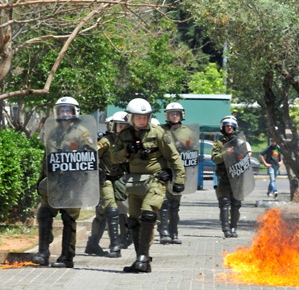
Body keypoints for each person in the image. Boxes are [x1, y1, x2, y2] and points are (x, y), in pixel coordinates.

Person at [111, 98, 185, 273]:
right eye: (138, 117)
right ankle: (141, 259)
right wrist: (126, 151)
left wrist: (179, 179)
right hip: (134, 182)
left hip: (155, 180)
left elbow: (173, 156)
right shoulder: (124, 135)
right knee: (134, 221)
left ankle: (144, 257)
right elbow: (114, 158)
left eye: (145, 117)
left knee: (148, 215)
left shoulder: (158, 133)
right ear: (130, 117)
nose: (142, 120)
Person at [32, 96, 95, 268]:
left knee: (69, 218)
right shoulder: (53, 133)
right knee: (44, 214)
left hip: (72, 183)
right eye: (61, 110)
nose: (65, 113)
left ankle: (67, 257)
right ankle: (43, 253)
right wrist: (41, 181)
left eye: (68, 110)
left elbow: (90, 158)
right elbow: (46, 159)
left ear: (75, 112)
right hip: (54, 183)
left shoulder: (82, 133)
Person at [84, 111, 130, 258]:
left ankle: (92, 244)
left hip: (120, 179)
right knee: (111, 209)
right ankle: (115, 245)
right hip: (105, 179)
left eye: (125, 126)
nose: (122, 128)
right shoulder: (106, 141)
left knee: (102, 213)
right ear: (113, 126)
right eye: (120, 126)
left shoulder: (129, 142)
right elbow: (90, 155)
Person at [157, 102, 195, 245]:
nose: (174, 116)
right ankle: (164, 232)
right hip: (164, 170)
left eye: (176, 113)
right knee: (164, 203)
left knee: (174, 204)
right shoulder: (160, 130)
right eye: (171, 113)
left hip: (179, 171)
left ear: (181, 115)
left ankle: (174, 232)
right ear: (167, 115)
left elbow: (192, 149)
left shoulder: (187, 132)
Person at [212, 115, 248, 238]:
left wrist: (240, 155)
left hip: (237, 177)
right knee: (224, 203)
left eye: (231, 126)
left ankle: (233, 227)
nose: (229, 128)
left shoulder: (240, 142)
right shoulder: (218, 143)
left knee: (236, 203)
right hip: (223, 178)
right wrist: (225, 153)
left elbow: (245, 158)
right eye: (227, 126)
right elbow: (215, 158)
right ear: (223, 127)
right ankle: (226, 229)